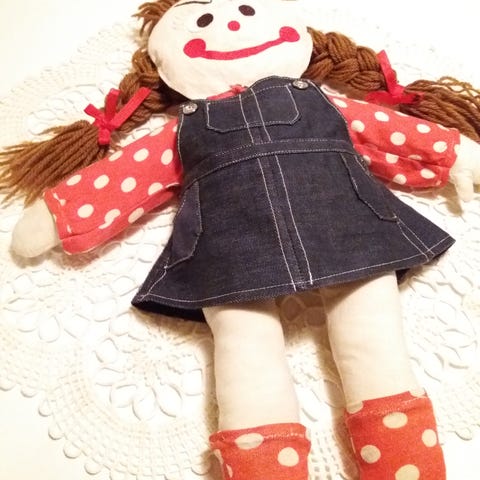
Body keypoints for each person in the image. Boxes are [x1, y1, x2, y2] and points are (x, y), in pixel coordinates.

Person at [4, 1, 480, 478]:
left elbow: (387, 133)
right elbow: (127, 177)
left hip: (350, 225)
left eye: (246, 11)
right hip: (231, 250)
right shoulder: (185, 127)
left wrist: (453, 155)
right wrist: (62, 212)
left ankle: (404, 464)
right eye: (204, 22)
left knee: (372, 334)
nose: (231, 24)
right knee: (247, 350)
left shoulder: (322, 101)